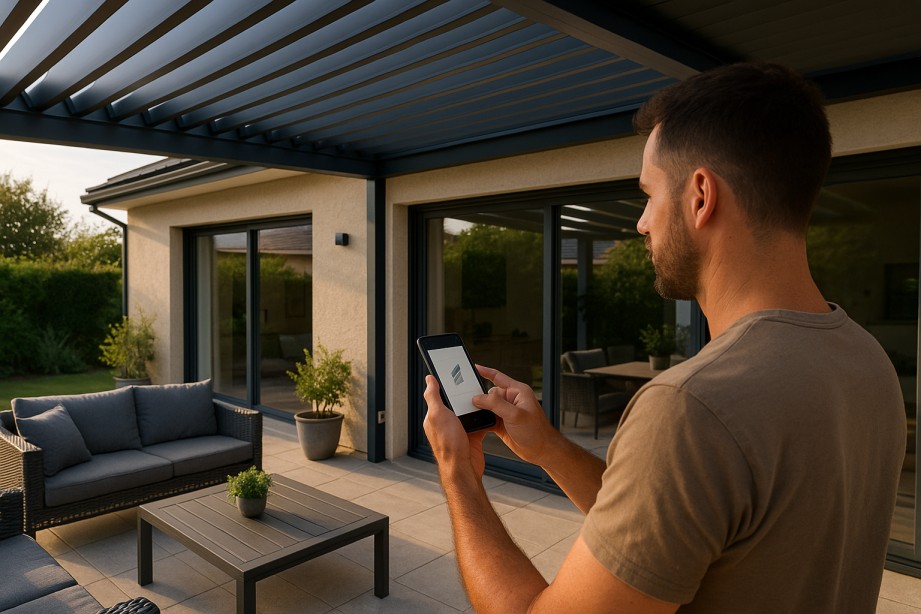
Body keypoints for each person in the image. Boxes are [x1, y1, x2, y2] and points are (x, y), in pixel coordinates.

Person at [422, 62, 906, 613]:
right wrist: (549, 449)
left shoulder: (691, 407)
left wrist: (458, 473)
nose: (641, 222)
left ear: (701, 196)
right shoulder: (868, 360)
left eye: (649, 194)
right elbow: (671, 533)